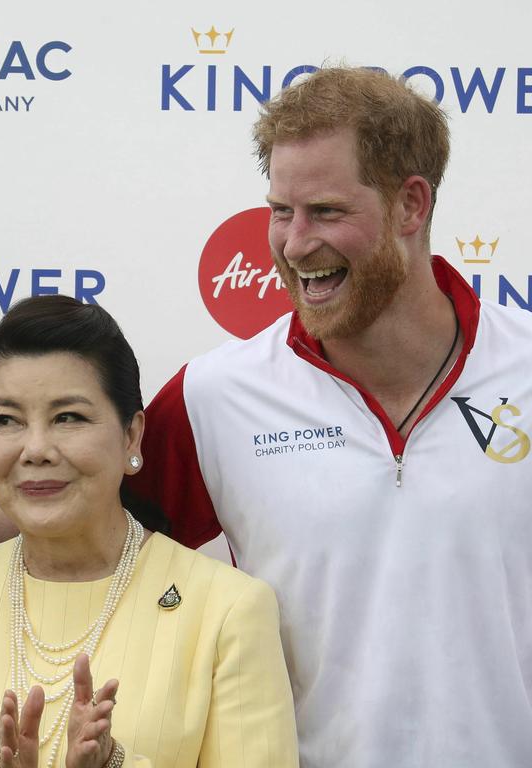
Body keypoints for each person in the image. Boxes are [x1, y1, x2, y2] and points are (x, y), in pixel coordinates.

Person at [125, 66, 532, 767]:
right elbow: (73, 520)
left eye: (327, 212)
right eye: (281, 210)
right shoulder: (214, 397)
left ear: (411, 205)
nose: (292, 243)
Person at [0, 295, 298, 768]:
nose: (36, 448)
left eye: (69, 417)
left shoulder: (227, 611)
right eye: (6, 420)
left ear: (132, 436)